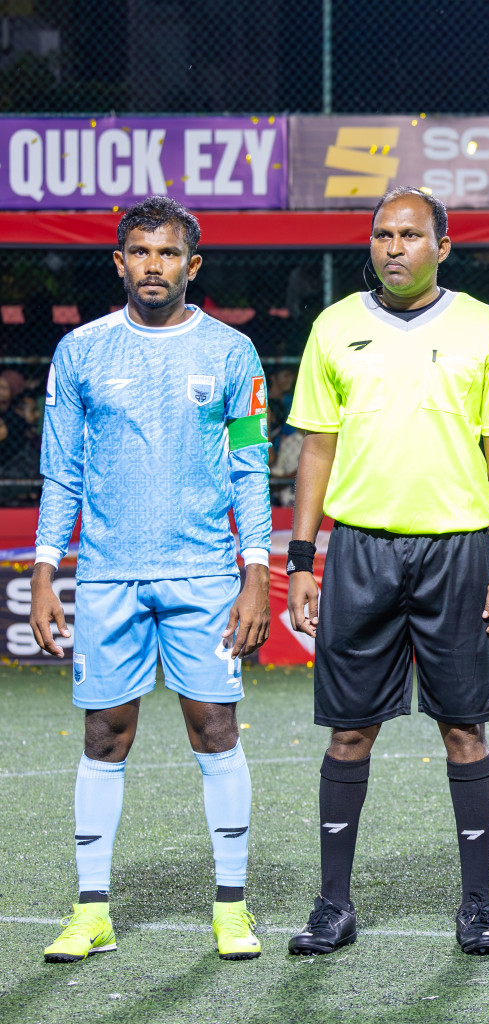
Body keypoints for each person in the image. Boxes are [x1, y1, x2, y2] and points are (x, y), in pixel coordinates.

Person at [283, 186, 489, 957]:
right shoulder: (336, 327)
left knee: (465, 728)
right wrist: (301, 557)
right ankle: (333, 905)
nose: (394, 247)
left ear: (441, 247)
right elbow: (315, 451)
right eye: (384, 234)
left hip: (458, 550)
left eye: (411, 235)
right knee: (349, 733)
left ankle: (478, 907)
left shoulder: (483, 326)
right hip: (358, 550)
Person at [29, 196, 272, 962]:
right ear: (120, 262)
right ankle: (92, 909)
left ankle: (231, 909)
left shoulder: (233, 354)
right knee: (105, 733)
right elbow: (60, 473)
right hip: (107, 576)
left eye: (168, 254)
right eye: (140, 252)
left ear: (192, 266)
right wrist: (43, 571)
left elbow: (249, 467)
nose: (154, 266)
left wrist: (255, 570)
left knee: (216, 728)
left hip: (203, 574)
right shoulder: (81, 353)